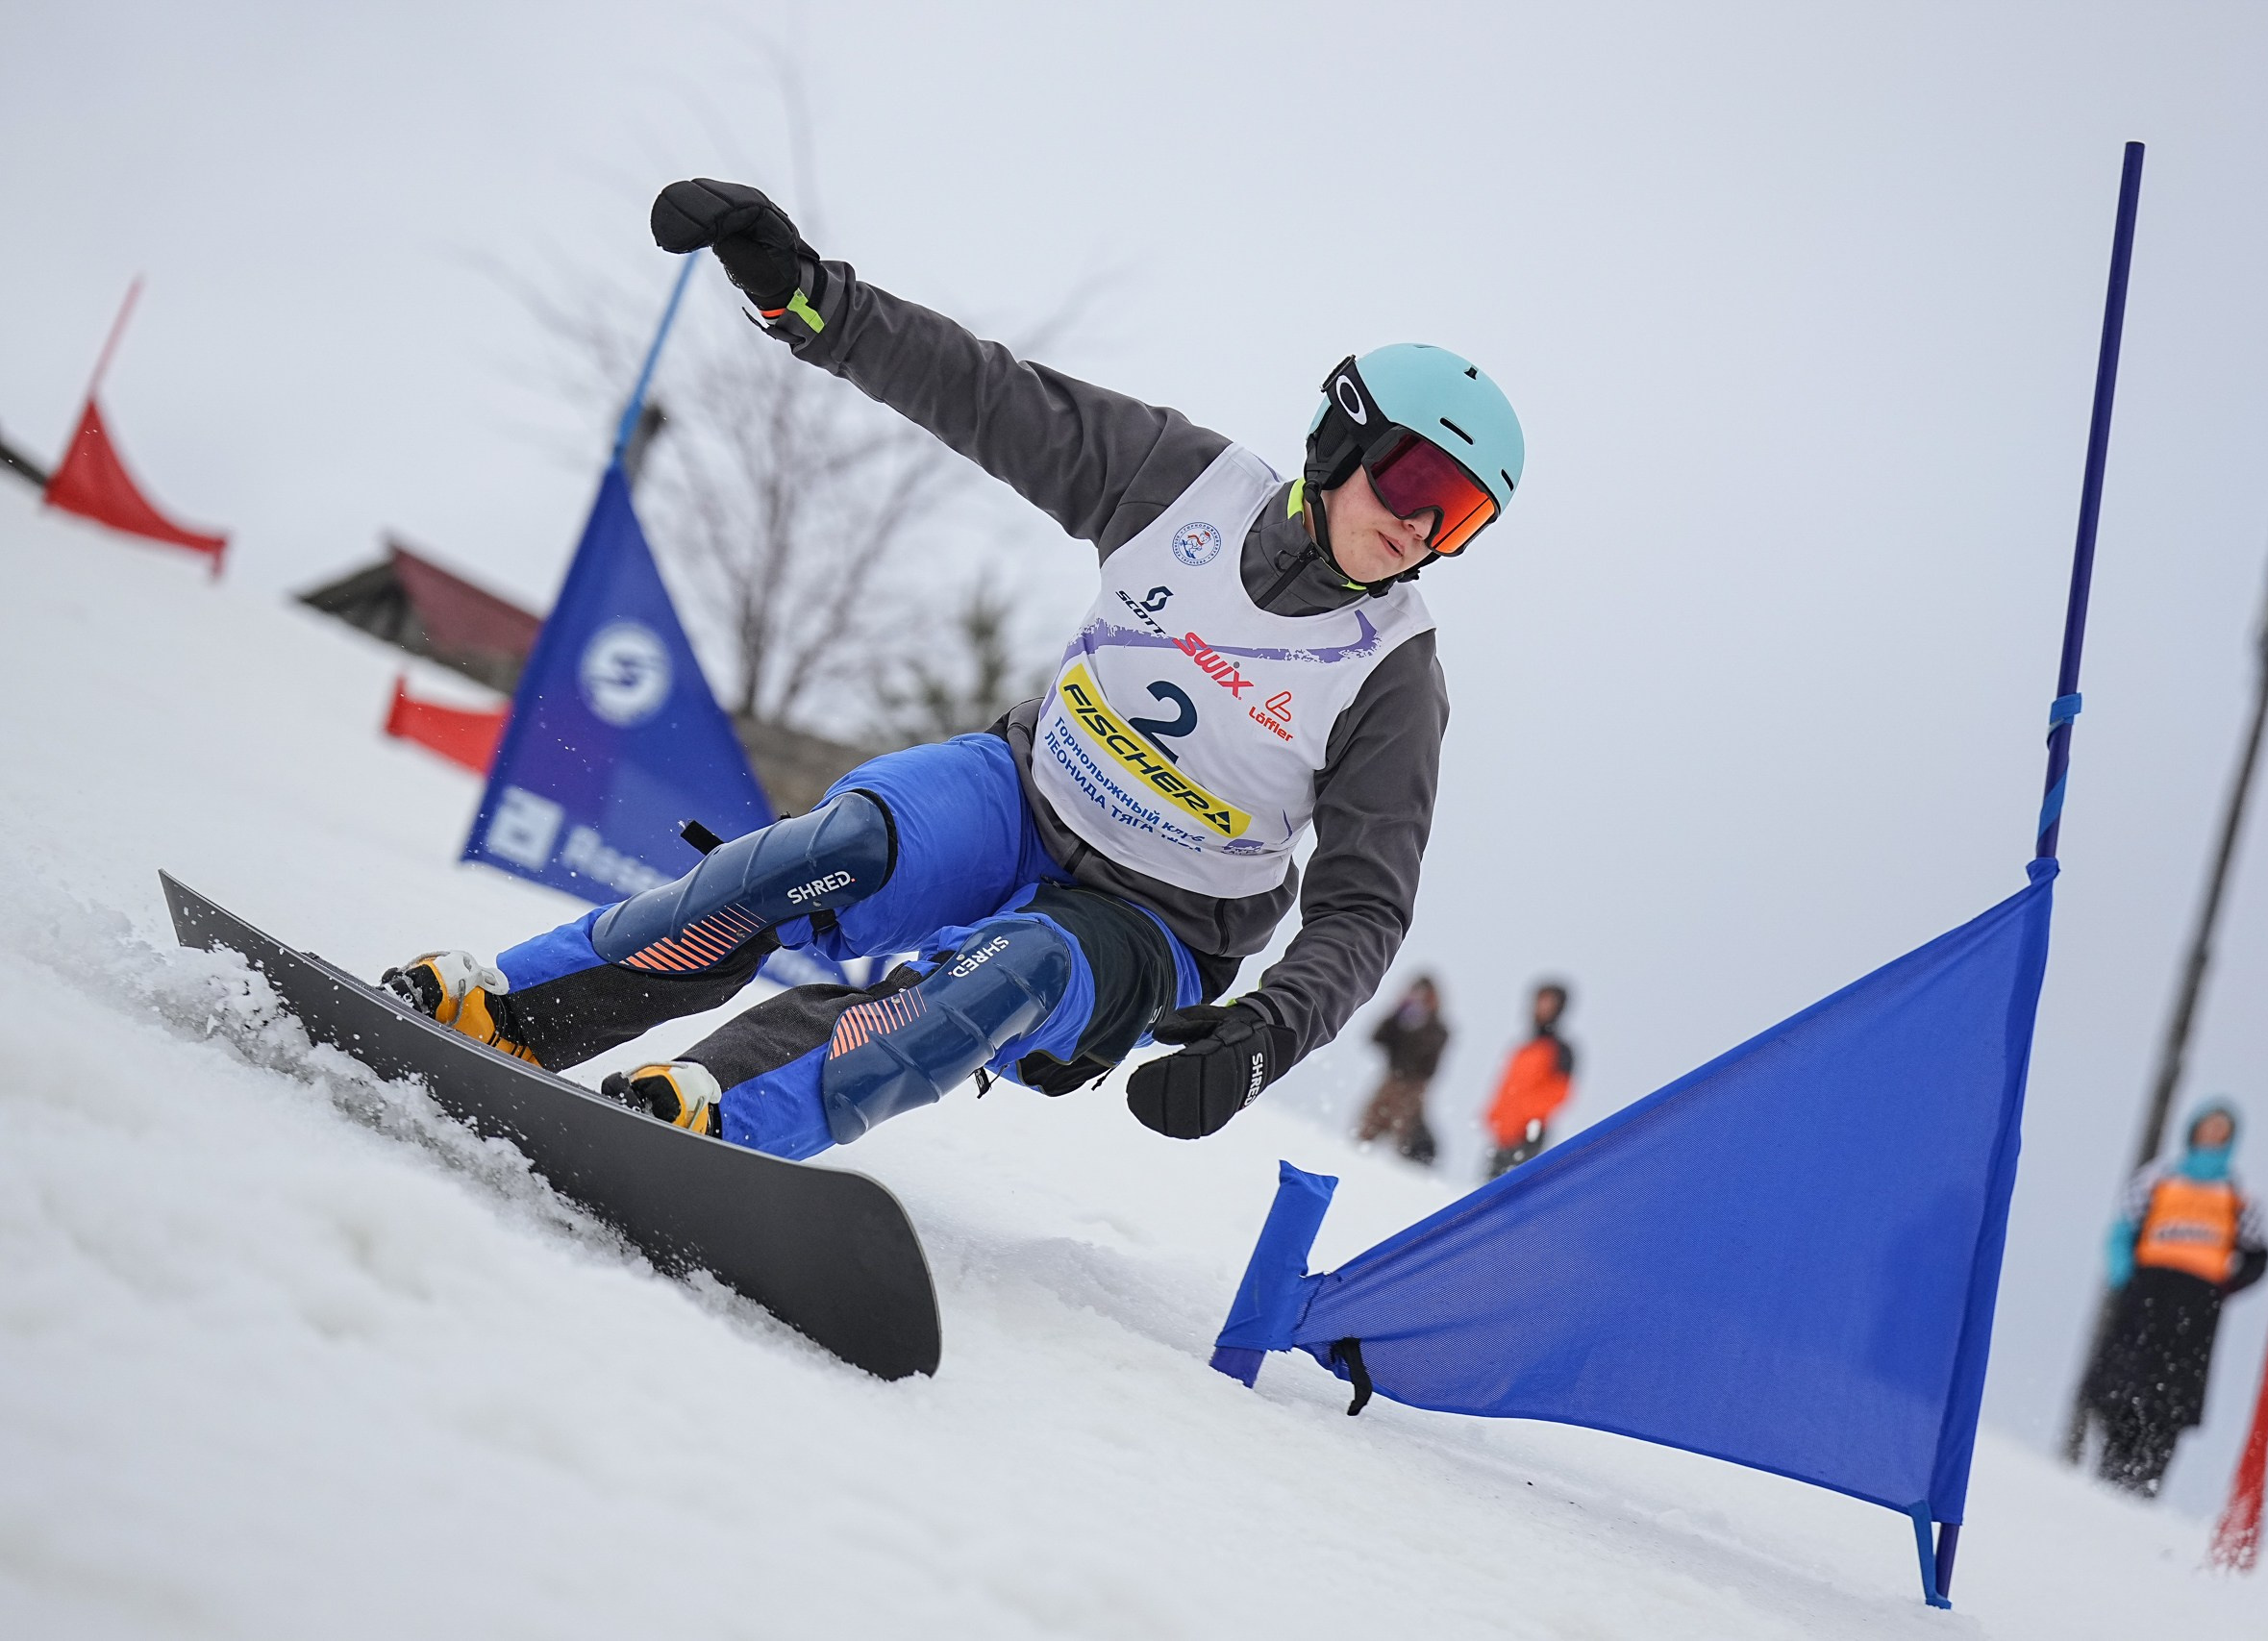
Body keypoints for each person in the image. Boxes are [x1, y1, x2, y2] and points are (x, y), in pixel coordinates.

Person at [382, 177, 1527, 1162]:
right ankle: (510, 1012)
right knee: (822, 857)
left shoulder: (1392, 674)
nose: (1424, 530)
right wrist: (808, 300)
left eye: (1462, 516)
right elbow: (987, 396)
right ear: (1342, 437)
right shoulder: (1183, 485)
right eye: (1416, 484)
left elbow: (1365, 904)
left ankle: (720, 1113)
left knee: (996, 977)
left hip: (1161, 928)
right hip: (1022, 790)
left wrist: (1272, 1028)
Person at [2084, 1098, 2268, 1497]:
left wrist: (2221, 1287)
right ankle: (2107, 1476)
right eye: (2209, 1126)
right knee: (2124, 1386)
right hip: (2146, 1297)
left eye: (2222, 1130)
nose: (2213, 1135)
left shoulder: (2239, 1195)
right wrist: (2126, 1276)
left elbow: (2258, 1254)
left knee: (2171, 1398)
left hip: (2196, 1310)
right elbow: (2123, 1229)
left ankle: (2145, 1484)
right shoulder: (2158, 1178)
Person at [1482, 982, 1576, 1178]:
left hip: (1527, 1137)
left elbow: (1560, 1092)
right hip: (1501, 1137)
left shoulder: (1560, 1051)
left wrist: (1525, 1116)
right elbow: (1507, 1087)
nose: (1542, 1007)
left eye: (1549, 1002)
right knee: (1486, 1193)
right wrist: (1495, 1115)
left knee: (1513, 1194)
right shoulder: (1524, 1047)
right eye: (1540, 1001)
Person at [1356, 975, 1449, 1166]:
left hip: (1413, 1087)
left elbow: (1428, 1063)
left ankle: (1403, 1171)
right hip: (1391, 1080)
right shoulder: (1402, 1019)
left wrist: (1419, 1024)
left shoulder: (1437, 1028)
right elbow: (1377, 1038)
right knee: (1367, 1129)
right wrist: (1398, 1014)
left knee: (1404, 1135)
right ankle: (1356, 1161)